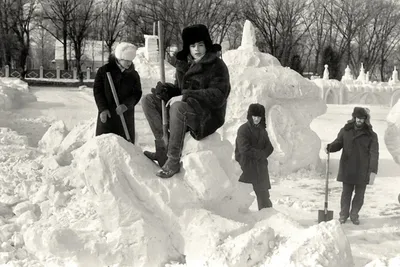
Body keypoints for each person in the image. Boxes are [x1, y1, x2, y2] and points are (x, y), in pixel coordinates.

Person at [142, 24, 231, 178]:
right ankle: (162, 149)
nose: (197, 49)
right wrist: (168, 91)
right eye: (193, 45)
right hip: (185, 110)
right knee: (148, 100)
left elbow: (218, 95)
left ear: (207, 45)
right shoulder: (184, 64)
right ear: (188, 48)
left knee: (178, 106)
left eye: (201, 45)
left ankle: (173, 159)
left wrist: (185, 96)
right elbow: (179, 90)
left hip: (206, 116)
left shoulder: (217, 66)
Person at [326, 107, 379, 225]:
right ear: (354, 117)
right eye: (358, 118)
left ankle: (354, 214)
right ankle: (343, 215)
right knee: (346, 193)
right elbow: (338, 142)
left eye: (362, 118)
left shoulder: (371, 135)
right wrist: (331, 147)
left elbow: (374, 154)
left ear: (366, 119)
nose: (360, 120)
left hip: (363, 169)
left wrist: (373, 171)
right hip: (348, 167)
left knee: (359, 195)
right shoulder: (346, 130)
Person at [93, 42, 142, 143]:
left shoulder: (134, 75)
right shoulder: (104, 71)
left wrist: (126, 105)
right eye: (127, 61)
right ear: (119, 59)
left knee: (125, 147)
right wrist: (103, 109)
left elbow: (137, 93)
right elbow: (98, 91)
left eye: (131, 61)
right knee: (105, 144)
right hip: (108, 113)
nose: (130, 63)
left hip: (125, 115)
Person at [235, 103, 274, 210]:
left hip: (260, 168)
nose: (256, 119)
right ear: (250, 116)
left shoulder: (262, 130)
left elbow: (270, 148)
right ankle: (240, 218)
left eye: (259, 117)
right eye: (254, 116)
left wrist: (262, 155)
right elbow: (244, 149)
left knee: (264, 198)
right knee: (241, 197)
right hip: (246, 167)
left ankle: (268, 218)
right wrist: (261, 154)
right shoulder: (243, 129)